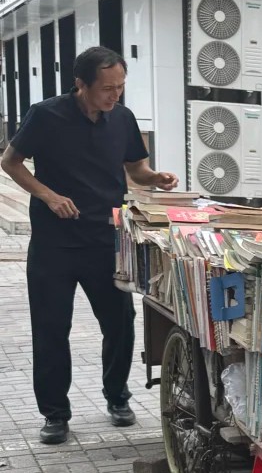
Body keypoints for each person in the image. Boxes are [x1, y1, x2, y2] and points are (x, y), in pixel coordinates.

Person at [1, 46, 178, 445]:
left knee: (120, 325)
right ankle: (55, 414)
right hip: (54, 245)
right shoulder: (46, 115)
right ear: (81, 84)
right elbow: (10, 161)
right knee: (50, 330)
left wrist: (156, 178)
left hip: (107, 241)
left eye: (120, 88)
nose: (114, 96)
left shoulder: (123, 118)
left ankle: (117, 397)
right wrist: (48, 195)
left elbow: (136, 169)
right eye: (106, 89)